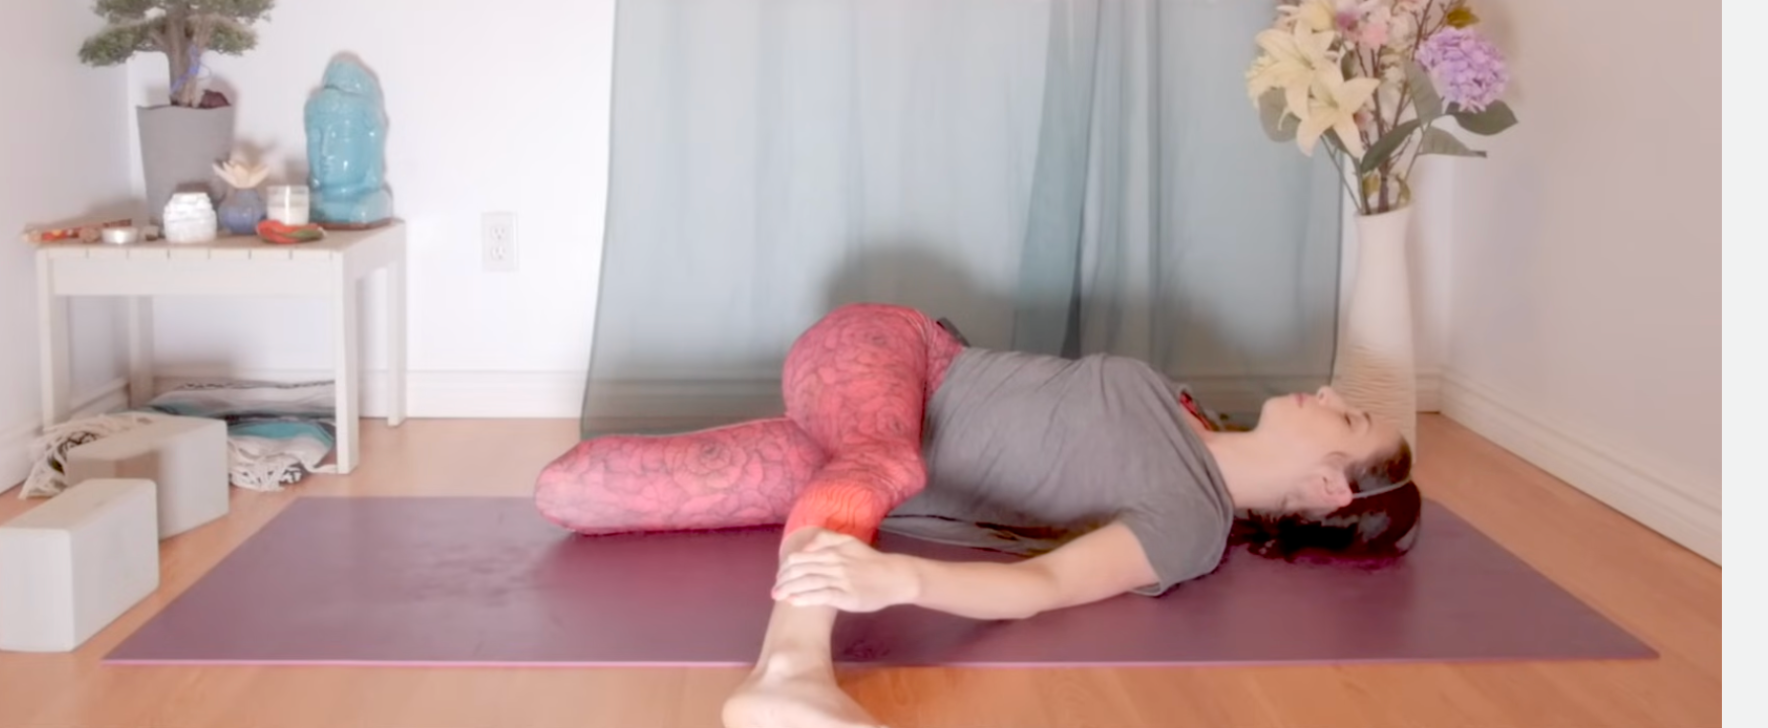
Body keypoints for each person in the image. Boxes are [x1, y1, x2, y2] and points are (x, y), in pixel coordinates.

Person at [535, 303, 1420, 728]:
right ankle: (788, 675)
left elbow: (1042, 586)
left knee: (575, 489)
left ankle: (783, 679)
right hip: (895, 355)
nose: (1332, 390)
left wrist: (901, 575)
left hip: (853, 464)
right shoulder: (1187, 406)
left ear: (1332, 491)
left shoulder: (1188, 524)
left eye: (1348, 417)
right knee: (883, 456)